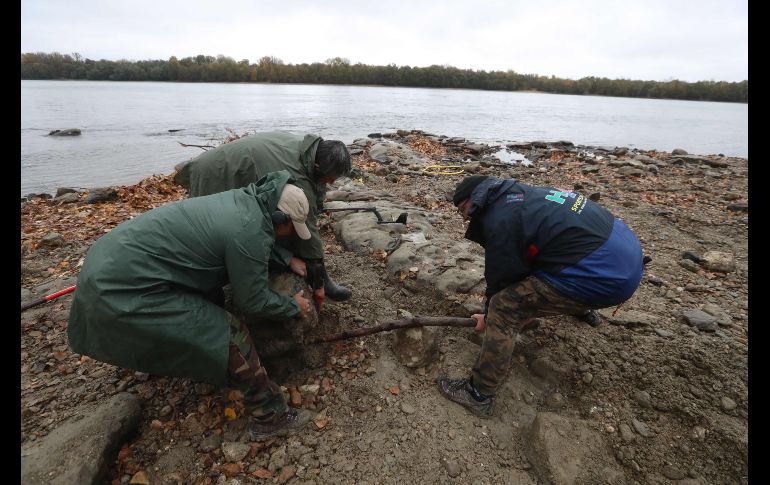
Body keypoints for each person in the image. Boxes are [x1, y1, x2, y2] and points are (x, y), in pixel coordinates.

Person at [68, 170, 317, 440]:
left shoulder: (246, 200)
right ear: (279, 217)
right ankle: (270, 418)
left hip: (111, 257)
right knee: (229, 333)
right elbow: (252, 300)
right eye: (290, 227)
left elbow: (234, 246)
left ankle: (203, 363)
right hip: (119, 288)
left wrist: (283, 258)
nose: (290, 233)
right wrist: (292, 305)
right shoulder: (250, 230)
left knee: (210, 308)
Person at [437, 175, 645, 417]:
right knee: (545, 253)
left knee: (504, 306)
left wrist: (489, 315)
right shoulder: (527, 194)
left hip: (602, 278)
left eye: (463, 211)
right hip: (627, 255)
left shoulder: (503, 219)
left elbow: (502, 278)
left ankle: (478, 394)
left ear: (472, 201)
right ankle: (581, 308)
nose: (464, 218)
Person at [174, 131, 353, 308]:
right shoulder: (294, 171)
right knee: (212, 236)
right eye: (330, 178)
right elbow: (307, 224)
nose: (331, 183)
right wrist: (319, 283)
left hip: (237, 161)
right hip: (214, 172)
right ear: (317, 166)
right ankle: (209, 297)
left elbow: (317, 186)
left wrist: (317, 206)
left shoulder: (312, 150)